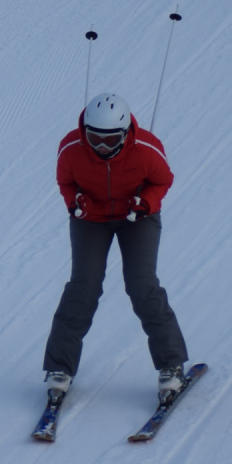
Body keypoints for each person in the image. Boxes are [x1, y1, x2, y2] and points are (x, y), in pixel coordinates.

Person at [43, 93, 189, 403]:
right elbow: (66, 182)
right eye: (94, 138)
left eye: (110, 140)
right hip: (90, 219)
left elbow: (163, 181)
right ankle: (59, 368)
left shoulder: (147, 149)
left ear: (125, 133)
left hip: (137, 217)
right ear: (84, 130)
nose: (102, 147)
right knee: (83, 287)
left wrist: (146, 203)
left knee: (142, 286)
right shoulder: (71, 148)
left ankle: (172, 365)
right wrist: (75, 201)